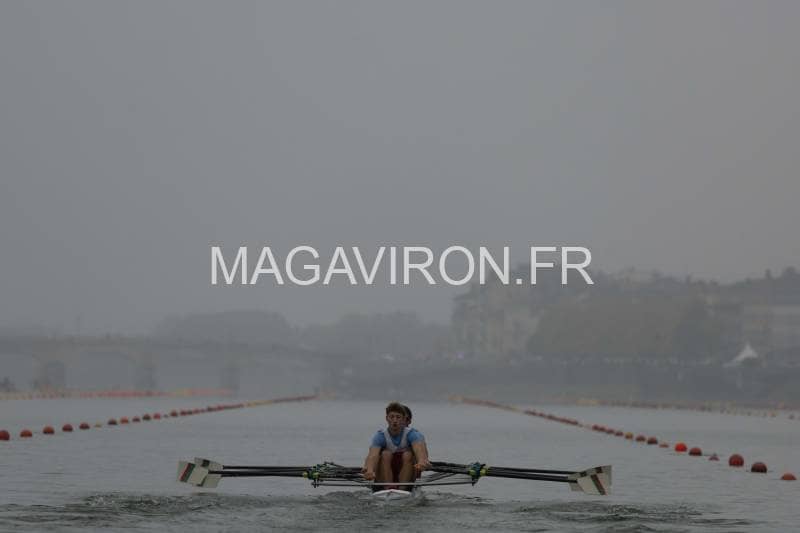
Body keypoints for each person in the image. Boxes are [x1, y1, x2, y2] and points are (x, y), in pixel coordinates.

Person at [362, 402, 431, 488]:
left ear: (403, 419)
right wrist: (369, 470)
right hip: (383, 476)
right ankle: (388, 487)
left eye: (398, 417)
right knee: (385, 454)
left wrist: (421, 461)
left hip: (408, 474)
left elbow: (419, 450)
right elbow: (372, 455)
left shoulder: (412, 434)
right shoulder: (380, 436)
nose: (395, 420)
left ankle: (402, 489)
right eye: (392, 417)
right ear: (387, 418)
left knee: (408, 454)